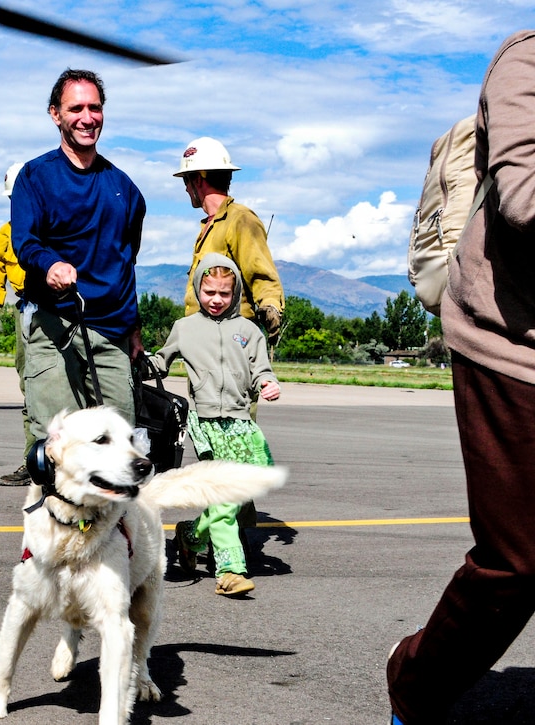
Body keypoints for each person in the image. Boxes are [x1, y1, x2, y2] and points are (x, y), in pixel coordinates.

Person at [387, 30, 535, 725]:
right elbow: (524, 199)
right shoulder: (527, 59)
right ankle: (415, 685)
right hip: (512, 346)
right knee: (516, 561)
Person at [11, 69, 146, 443]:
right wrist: (50, 264)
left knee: (120, 447)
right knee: (61, 444)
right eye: (76, 108)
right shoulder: (34, 177)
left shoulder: (125, 190)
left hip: (112, 333)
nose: (87, 118)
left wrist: (134, 326)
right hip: (55, 325)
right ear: (55, 114)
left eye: (95, 108)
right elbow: (25, 242)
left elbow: (126, 262)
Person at [152, 253, 280, 596]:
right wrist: (136, 362)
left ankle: (191, 536)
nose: (216, 300)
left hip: (241, 423)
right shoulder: (185, 328)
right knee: (224, 497)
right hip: (206, 424)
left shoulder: (249, 331)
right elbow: (160, 361)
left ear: (235, 292)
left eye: (224, 293)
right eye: (209, 292)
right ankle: (230, 570)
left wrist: (268, 383)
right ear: (198, 290)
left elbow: (260, 370)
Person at [174, 137, 284, 344]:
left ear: (198, 179)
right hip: (204, 343)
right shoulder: (210, 226)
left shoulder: (241, 219)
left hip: (231, 343)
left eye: (185, 180)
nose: (186, 188)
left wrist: (270, 307)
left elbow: (261, 273)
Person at [0, 162, 32, 487]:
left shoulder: (58, 226)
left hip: (63, 309)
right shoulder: (6, 232)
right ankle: (35, 461)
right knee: (31, 384)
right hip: (26, 308)